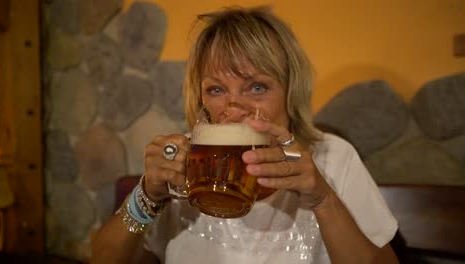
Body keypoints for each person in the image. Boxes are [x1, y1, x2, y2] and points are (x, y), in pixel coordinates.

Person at [92, 6, 398, 264]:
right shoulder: (187, 163)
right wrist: (147, 194)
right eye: (216, 89)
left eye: (257, 87)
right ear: (201, 100)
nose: (233, 108)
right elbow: (104, 257)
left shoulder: (332, 156)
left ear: (290, 92)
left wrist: (322, 199)